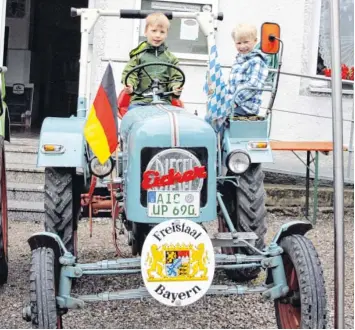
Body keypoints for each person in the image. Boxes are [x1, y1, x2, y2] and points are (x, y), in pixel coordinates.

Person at [121, 12, 183, 110]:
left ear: (166, 34)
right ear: (146, 32)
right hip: (140, 102)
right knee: (133, 119)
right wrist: (130, 85)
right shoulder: (138, 56)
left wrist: (176, 88)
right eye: (154, 31)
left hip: (163, 103)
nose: (158, 35)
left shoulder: (171, 59)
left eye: (162, 32)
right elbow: (129, 74)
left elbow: (176, 78)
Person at [227, 23, 269, 117]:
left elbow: (253, 86)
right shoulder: (238, 61)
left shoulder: (257, 61)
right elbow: (233, 86)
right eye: (239, 43)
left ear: (255, 41)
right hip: (234, 105)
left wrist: (235, 102)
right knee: (212, 114)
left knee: (220, 118)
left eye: (246, 42)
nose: (242, 46)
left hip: (246, 108)